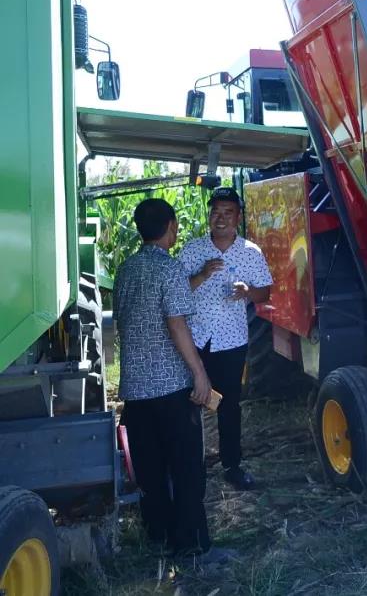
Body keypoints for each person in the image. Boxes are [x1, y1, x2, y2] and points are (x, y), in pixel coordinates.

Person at [114, 198, 228, 562]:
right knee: (185, 468)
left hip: (135, 390)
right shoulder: (169, 269)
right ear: (171, 226)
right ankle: (193, 545)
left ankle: (159, 535)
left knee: (150, 468)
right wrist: (200, 373)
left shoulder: (126, 269)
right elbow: (176, 324)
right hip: (170, 391)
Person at [179, 187, 273, 490]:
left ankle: (232, 465)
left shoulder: (251, 253)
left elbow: (265, 293)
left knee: (229, 405)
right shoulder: (193, 251)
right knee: (189, 403)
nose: (220, 218)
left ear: (238, 217)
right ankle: (190, 466)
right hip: (194, 341)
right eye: (215, 212)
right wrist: (202, 275)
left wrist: (248, 293)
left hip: (231, 341)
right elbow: (176, 295)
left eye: (227, 212)